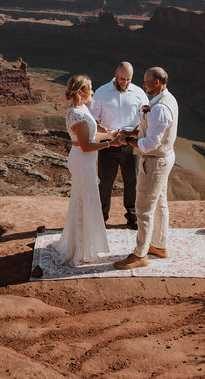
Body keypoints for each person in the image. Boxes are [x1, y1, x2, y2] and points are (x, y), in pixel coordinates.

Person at [113, 67, 178, 270]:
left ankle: (140, 254)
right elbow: (151, 127)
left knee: (143, 209)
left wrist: (128, 140)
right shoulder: (168, 99)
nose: (143, 84)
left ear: (156, 83)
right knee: (159, 203)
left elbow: (151, 144)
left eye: (146, 81)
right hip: (164, 159)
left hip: (154, 162)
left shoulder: (159, 108)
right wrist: (134, 130)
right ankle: (159, 245)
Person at [53, 74, 121, 265]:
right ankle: (81, 248)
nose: (92, 91)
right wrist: (110, 144)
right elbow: (86, 146)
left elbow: (92, 135)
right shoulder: (78, 115)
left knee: (86, 198)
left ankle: (85, 241)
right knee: (85, 200)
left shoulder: (82, 108)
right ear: (81, 91)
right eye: (90, 89)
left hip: (86, 161)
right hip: (83, 161)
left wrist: (108, 134)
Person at [90, 61, 148, 229]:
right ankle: (101, 217)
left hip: (131, 145)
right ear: (115, 73)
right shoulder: (101, 93)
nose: (125, 82)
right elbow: (93, 120)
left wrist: (133, 133)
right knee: (106, 181)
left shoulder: (139, 93)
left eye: (128, 79)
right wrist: (109, 134)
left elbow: (145, 119)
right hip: (108, 145)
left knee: (132, 181)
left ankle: (132, 215)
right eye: (122, 78)